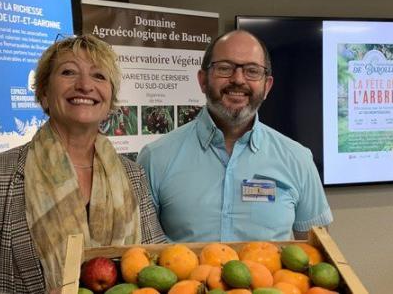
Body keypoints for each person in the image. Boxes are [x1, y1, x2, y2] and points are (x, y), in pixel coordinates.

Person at [0, 35, 166, 294]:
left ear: (110, 101)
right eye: (68, 72)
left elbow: (156, 265)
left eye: (99, 76)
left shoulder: (133, 175)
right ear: (43, 93)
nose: (85, 85)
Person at [137, 30, 332, 242]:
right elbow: (142, 252)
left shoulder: (298, 159)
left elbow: (316, 254)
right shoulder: (155, 158)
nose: (238, 79)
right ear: (203, 81)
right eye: (224, 68)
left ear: (267, 86)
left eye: (252, 71)